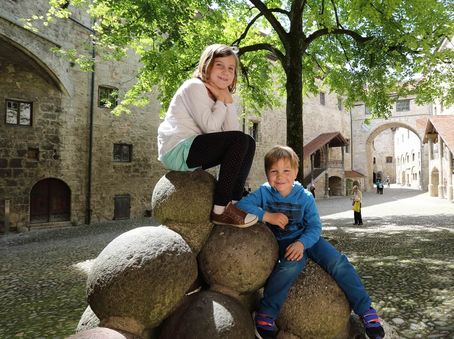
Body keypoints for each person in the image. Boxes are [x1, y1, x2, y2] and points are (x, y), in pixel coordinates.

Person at [236, 146, 385, 339]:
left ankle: (366, 310)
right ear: (267, 173)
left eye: (286, 171)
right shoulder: (264, 193)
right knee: (289, 268)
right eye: (274, 171)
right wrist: (267, 216)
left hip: (309, 239)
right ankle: (266, 314)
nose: (280, 176)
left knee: (338, 262)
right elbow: (241, 205)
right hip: (282, 243)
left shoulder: (305, 197)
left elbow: (315, 227)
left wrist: (302, 243)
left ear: (296, 173)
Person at [157, 44, 257, 228]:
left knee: (248, 142)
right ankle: (220, 211)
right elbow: (211, 129)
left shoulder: (220, 93)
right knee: (240, 140)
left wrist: (228, 101)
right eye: (219, 65)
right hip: (177, 150)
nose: (225, 72)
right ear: (207, 66)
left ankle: (233, 204)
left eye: (231, 68)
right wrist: (221, 99)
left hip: (194, 150)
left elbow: (232, 131)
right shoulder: (194, 86)